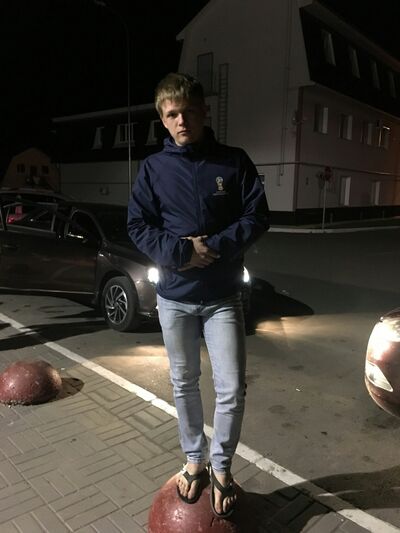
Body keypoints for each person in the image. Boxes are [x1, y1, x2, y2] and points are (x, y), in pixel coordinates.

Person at [127, 73, 269, 517]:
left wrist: (215, 247)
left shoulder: (233, 161)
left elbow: (257, 216)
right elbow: (137, 225)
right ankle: (194, 459)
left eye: (188, 111)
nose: (181, 120)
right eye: (172, 114)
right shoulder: (153, 169)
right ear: (162, 119)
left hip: (223, 296)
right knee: (184, 382)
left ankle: (221, 466)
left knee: (231, 389)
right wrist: (182, 253)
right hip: (174, 296)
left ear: (204, 111)